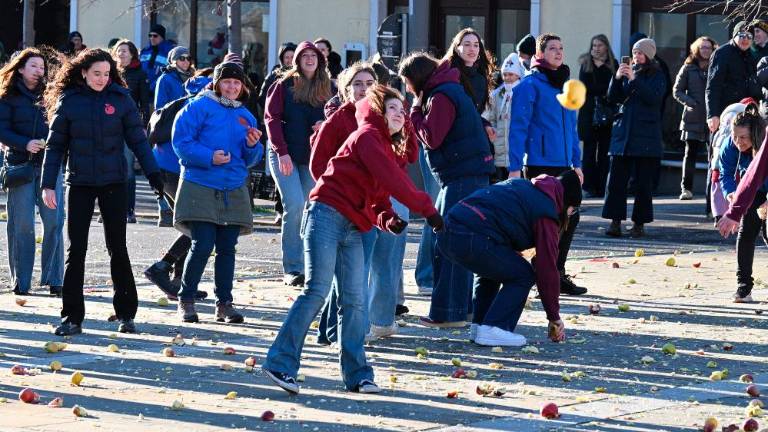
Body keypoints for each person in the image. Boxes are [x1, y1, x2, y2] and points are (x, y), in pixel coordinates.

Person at [262, 84, 442, 395]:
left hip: (355, 226)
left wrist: (387, 218)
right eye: (392, 108)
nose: (400, 113)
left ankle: (357, 375)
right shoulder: (367, 136)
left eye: (403, 110)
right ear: (378, 112)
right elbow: (394, 182)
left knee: (355, 302)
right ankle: (280, 363)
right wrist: (429, 211)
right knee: (316, 291)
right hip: (326, 215)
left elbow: (380, 195)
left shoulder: (387, 147)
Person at [40, 48, 164, 336]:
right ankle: (72, 317)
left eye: (107, 74)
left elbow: (139, 141)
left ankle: (126, 314)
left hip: (114, 182)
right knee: (77, 250)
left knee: (117, 248)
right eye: (96, 73)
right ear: (83, 72)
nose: (101, 79)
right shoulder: (69, 101)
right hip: (80, 182)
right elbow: (55, 146)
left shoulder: (121, 99)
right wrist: (48, 184)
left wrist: (154, 173)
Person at [399, 52, 495, 327]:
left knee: (449, 243)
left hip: (462, 176)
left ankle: (446, 313)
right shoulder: (450, 88)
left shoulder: (439, 96)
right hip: (466, 174)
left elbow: (432, 136)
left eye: (407, 82)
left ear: (417, 79)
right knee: (456, 242)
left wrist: (414, 113)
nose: (406, 88)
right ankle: (461, 310)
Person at [438, 171, 581, 346]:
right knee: (524, 275)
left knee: (493, 270)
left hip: (448, 231)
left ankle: (480, 326)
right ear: (567, 203)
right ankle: (495, 328)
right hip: (472, 236)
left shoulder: (524, 187)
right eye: (573, 210)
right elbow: (546, 268)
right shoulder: (547, 210)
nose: (571, 214)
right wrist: (554, 316)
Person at [171, 62, 263, 323]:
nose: (232, 87)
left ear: (242, 86)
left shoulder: (246, 115)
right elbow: (181, 143)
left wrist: (252, 145)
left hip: (233, 185)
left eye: (236, 83)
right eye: (227, 82)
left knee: (227, 248)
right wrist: (210, 156)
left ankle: (225, 304)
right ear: (216, 83)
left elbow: (250, 158)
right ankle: (186, 300)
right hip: (200, 182)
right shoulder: (198, 106)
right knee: (202, 244)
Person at [507, 33, 586, 295]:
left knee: (570, 218)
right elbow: (518, 128)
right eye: (552, 48)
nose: (558, 52)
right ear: (539, 54)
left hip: (565, 164)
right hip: (541, 163)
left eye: (561, 48)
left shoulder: (566, 84)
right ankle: (544, 275)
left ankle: (556, 272)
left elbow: (572, 129)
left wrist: (577, 162)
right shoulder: (529, 85)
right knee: (547, 223)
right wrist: (515, 167)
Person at [265, 41, 333, 287]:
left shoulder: (329, 87)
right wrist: (281, 152)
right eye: (304, 55)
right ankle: (292, 268)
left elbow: (337, 118)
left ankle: (309, 266)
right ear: (296, 60)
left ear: (320, 59)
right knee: (294, 204)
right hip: (284, 154)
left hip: (313, 158)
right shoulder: (283, 85)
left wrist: (325, 127)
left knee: (309, 210)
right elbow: (271, 119)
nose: (309, 59)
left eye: (313, 55)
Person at [143, 69, 214, 302]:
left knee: (190, 224)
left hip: (161, 167)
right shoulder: (202, 104)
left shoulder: (186, 99)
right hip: (176, 170)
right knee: (198, 225)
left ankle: (180, 281)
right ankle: (161, 268)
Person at [0, 48, 64, 297]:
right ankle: (21, 281)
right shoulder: (8, 96)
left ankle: (54, 279)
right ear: (21, 68)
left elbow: (62, 125)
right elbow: (1, 128)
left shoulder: (52, 93)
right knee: (22, 224)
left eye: (42, 67)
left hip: (51, 165)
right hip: (19, 165)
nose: (39, 71)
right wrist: (24, 143)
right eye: (34, 66)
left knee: (54, 221)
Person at [603, 38, 666, 238]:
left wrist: (634, 80)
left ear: (649, 54)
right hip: (623, 134)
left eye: (640, 53)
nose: (636, 56)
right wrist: (616, 77)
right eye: (634, 52)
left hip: (646, 136)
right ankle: (615, 222)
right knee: (616, 182)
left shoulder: (657, 74)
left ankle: (639, 224)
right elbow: (612, 98)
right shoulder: (626, 72)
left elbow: (654, 98)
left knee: (642, 183)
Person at [715, 105, 768, 303]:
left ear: (754, 134)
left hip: (762, 189)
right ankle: (744, 287)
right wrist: (731, 194)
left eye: (743, 138)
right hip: (751, 192)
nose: (738, 142)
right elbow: (725, 173)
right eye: (735, 136)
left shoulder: (765, 144)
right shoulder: (731, 145)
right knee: (746, 234)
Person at [112, 39, 152, 223]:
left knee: (127, 169)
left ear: (132, 54)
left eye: (125, 51)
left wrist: (143, 126)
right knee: (109, 168)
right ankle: (109, 209)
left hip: (129, 126)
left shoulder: (139, 74)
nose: (121, 54)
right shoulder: (108, 73)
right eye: (119, 51)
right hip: (108, 126)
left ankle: (129, 210)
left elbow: (144, 104)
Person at [673, 36, 716, 202]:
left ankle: (712, 191)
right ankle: (687, 189)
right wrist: (691, 103)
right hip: (692, 117)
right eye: (703, 47)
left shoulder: (717, 67)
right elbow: (677, 91)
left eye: (709, 47)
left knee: (713, 156)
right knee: (690, 154)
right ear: (697, 49)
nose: (706, 50)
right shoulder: (688, 68)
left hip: (712, 118)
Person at [578, 34, 618, 198]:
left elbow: (614, 88)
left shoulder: (612, 64)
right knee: (588, 151)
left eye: (599, 45)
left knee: (604, 152)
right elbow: (583, 87)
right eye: (594, 45)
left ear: (606, 47)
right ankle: (588, 186)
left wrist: (601, 91)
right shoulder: (586, 63)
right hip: (588, 112)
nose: (596, 48)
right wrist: (601, 90)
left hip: (607, 113)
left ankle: (602, 186)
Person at [706, 22, 762, 135]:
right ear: (734, 35)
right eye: (742, 35)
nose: (745, 39)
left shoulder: (751, 56)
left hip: (746, 112)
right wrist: (712, 114)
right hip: (725, 112)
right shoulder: (722, 53)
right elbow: (713, 86)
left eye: (749, 36)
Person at [483, 53, 524, 180]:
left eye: (511, 74)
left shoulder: (524, 93)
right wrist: (493, 131)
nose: (507, 78)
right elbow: (489, 117)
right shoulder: (496, 95)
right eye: (505, 74)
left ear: (518, 75)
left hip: (518, 154)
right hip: (499, 152)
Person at [140, 24, 175, 96]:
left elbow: (168, 73)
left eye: (155, 36)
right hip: (142, 92)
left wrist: (152, 88)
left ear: (162, 37)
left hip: (159, 92)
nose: (152, 38)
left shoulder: (169, 52)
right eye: (150, 35)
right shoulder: (145, 51)